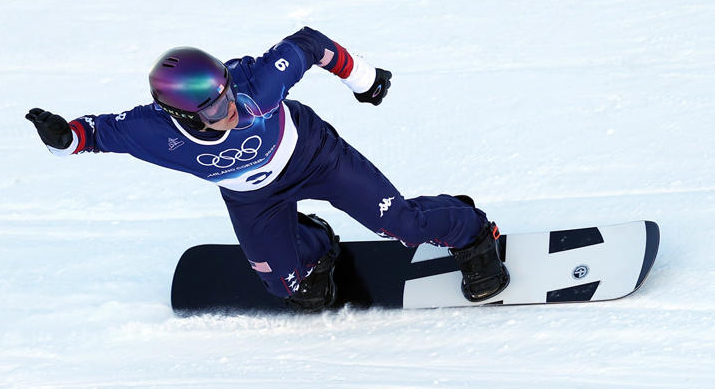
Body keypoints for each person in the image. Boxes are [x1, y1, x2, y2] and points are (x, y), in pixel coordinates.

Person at [26, 27, 509, 312]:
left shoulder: (257, 79)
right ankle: (313, 242)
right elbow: (92, 134)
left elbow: (309, 43)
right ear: (181, 117)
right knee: (290, 287)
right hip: (251, 196)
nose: (231, 110)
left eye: (228, 94)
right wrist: (62, 138)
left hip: (316, 156)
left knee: (401, 224)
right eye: (214, 111)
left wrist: (363, 79)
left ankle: (471, 232)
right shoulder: (152, 131)